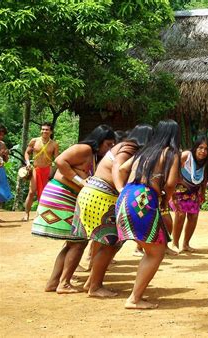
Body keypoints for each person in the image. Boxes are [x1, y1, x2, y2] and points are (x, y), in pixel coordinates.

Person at [31, 125, 115, 293]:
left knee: (73, 242)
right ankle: (63, 283)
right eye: (108, 144)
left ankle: (54, 282)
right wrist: (79, 181)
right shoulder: (84, 148)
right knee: (78, 241)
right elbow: (60, 161)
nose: (110, 148)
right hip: (62, 194)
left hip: (66, 195)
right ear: (99, 141)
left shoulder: (92, 155)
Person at [72, 124, 154, 297]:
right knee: (111, 243)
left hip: (95, 194)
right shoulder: (128, 148)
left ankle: (91, 282)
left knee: (105, 243)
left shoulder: (123, 147)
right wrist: (121, 189)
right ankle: (95, 287)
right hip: (102, 197)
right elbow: (118, 167)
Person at [115, 119, 180, 309]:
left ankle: (136, 296)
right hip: (143, 198)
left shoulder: (145, 151)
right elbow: (170, 183)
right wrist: (165, 199)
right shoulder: (171, 153)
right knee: (156, 252)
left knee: (153, 249)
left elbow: (122, 168)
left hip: (126, 195)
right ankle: (134, 299)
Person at [170, 136, 208, 253]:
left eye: (206, 149)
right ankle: (175, 243)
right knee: (180, 215)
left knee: (193, 217)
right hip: (178, 191)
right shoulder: (186, 156)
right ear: (195, 148)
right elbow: (172, 167)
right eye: (200, 148)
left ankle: (186, 244)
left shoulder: (206, 162)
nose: (203, 151)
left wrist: (203, 193)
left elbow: (204, 178)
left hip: (193, 191)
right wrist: (178, 181)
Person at [22, 122, 59, 221]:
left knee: (44, 194)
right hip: (36, 169)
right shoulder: (34, 141)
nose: (44, 131)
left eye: (47, 129)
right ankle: (26, 214)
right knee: (31, 192)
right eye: (43, 129)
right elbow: (27, 152)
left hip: (47, 170)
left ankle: (41, 215)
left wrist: (55, 170)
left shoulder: (54, 144)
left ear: (51, 131)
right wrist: (27, 163)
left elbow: (56, 159)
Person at [0, 124, 13, 209]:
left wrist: (6, 154)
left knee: (1, 192)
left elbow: (6, 160)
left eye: (2, 134)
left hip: (0, 169)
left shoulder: (2, 144)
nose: (1, 136)